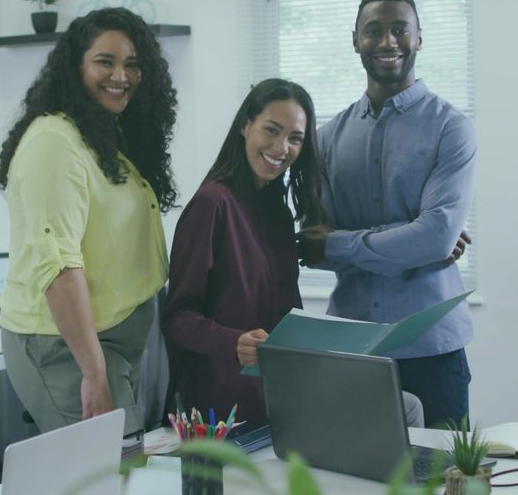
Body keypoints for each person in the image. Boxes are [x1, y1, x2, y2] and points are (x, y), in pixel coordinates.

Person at [162, 78, 423, 428]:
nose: (281, 147)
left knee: (405, 406)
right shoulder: (212, 205)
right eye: (271, 130)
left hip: (281, 388)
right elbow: (177, 317)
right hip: (224, 401)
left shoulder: (278, 211)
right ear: (245, 126)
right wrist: (232, 342)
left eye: (295, 138)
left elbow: (282, 312)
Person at [299, 0, 477, 429]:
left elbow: (435, 235)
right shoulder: (325, 139)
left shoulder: (451, 129)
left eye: (400, 29)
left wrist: (340, 245)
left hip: (434, 352)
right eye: (373, 30)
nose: (387, 41)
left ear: (419, 38)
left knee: (441, 482)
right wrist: (411, 240)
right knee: (354, 480)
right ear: (355, 40)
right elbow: (309, 244)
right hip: (353, 349)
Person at [0, 7, 178, 435]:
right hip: (67, 347)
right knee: (106, 472)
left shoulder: (99, 134)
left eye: (132, 65)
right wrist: (94, 373)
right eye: (105, 62)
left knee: (119, 471)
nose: (122, 76)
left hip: (110, 343)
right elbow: (59, 266)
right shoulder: (53, 142)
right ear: (75, 66)